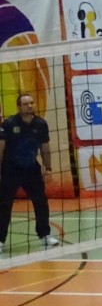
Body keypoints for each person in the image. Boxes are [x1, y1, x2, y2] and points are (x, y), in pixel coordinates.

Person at [0, 94, 58, 253]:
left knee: (41, 202)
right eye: (26, 104)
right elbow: (1, 146)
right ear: (19, 107)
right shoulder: (9, 124)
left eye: (32, 102)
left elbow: (45, 147)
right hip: (10, 169)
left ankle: (44, 235)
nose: (30, 106)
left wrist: (48, 168)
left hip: (31, 169)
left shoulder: (40, 124)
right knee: (4, 204)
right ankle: (0, 239)